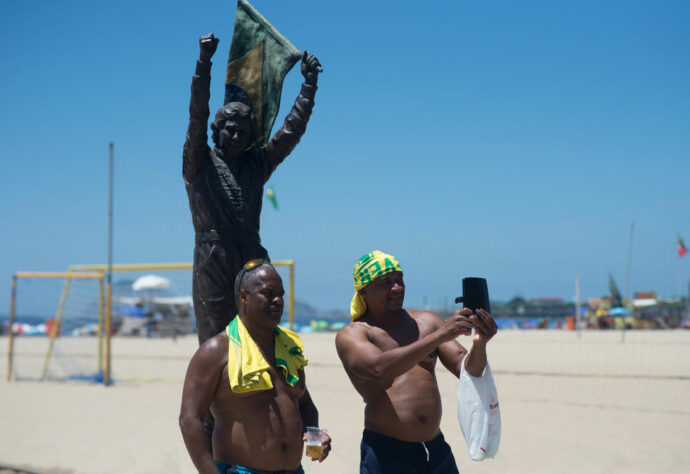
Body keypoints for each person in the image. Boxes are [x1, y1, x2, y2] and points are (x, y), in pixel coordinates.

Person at [183, 33, 322, 344]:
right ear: (216, 132)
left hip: (251, 254)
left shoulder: (255, 164)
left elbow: (290, 132)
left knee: (264, 336)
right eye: (230, 131)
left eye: (244, 133)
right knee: (215, 340)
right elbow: (196, 115)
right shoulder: (199, 164)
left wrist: (308, 87)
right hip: (212, 257)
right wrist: (204, 63)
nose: (237, 138)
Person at [335, 251, 497, 474]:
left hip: (435, 448)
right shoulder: (353, 334)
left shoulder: (427, 322)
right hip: (386, 451)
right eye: (386, 283)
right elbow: (379, 368)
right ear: (364, 291)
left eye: (400, 280)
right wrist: (440, 336)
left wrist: (480, 344)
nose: (397, 288)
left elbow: (470, 372)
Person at [180, 260, 332, 474]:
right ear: (244, 297)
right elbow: (190, 419)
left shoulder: (289, 348)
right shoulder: (216, 351)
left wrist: (316, 437)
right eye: (269, 294)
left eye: (281, 294)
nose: (278, 300)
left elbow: (305, 404)